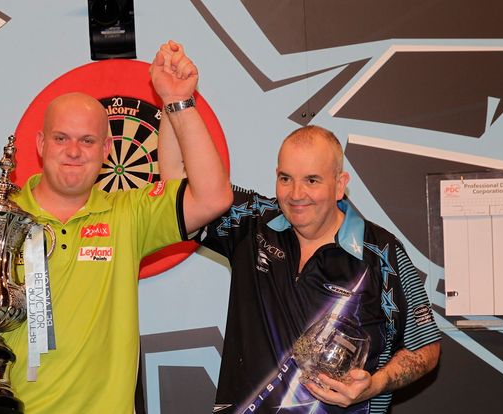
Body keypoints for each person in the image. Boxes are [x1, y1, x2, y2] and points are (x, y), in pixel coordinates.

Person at [0, 40, 232, 413]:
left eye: (87, 140)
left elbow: (213, 197)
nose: (74, 151)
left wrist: (178, 101)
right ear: (42, 144)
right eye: (61, 138)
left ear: (107, 150)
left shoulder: (129, 214)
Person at [159, 124, 441, 413]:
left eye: (312, 180)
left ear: (340, 184)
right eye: (286, 178)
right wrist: (172, 101)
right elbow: (179, 184)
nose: (296, 194)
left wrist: (375, 385)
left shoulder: (382, 253)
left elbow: (426, 348)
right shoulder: (252, 222)